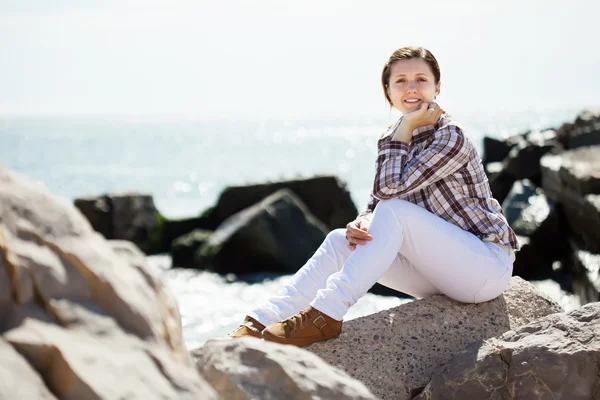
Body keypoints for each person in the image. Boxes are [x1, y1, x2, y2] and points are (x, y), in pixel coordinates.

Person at [220, 46, 519, 348]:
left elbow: (389, 195)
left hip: (485, 267)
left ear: (437, 87)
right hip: (442, 275)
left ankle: (327, 314)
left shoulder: (449, 136)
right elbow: (375, 206)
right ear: (388, 91)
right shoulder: (393, 137)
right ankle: (261, 321)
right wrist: (361, 224)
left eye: (421, 79)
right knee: (341, 240)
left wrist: (403, 130)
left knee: (395, 210)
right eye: (400, 81)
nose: (411, 88)